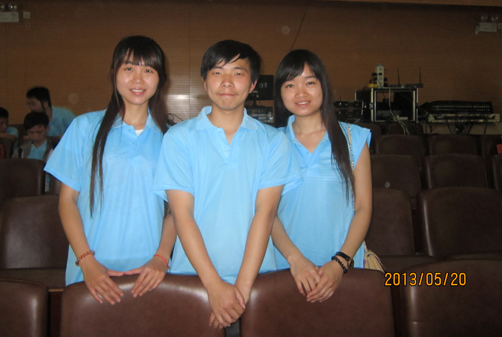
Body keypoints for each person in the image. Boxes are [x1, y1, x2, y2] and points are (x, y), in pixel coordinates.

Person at [153, 40, 301, 330]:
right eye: (217, 72)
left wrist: (240, 293)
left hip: (258, 283)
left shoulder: (274, 141)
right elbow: (182, 215)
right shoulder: (179, 139)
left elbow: (265, 214)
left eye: (238, 73)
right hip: (193, 281)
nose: (227, 82)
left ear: (253, 83)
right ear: (205, 82)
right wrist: (214, 285)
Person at [44, 36, 176, 305]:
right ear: (114, 73)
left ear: (160, 79)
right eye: (128, 68)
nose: (138, 79)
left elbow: (177, 209)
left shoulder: (172, 139)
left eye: (148, 70)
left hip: (150, 271)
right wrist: (86, 262)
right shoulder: (84, 127)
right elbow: (67, 201)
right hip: (91, 270)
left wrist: (161, 258)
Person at [271, 49, 372, 303]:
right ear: (280, 93)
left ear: (323, 87)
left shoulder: (353, 138)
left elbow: (363, 207)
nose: (300, 93)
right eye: (290, 85)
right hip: (285, 268)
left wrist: (340, 263)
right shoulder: (271, 143)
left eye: (310, 82)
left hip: (344, 267)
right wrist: (296, 260)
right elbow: (266, 213)